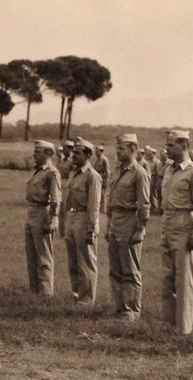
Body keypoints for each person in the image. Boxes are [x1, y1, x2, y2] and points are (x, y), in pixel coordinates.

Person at [160, 130, 193, 335]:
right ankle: (169, 324)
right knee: (166, 278)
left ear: (184, 146)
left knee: (184, 280)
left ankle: (183, 329)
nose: (167, 149)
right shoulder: (169, 170)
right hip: (167, 222)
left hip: (183, 224)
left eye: (171, 145)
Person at [105, 133, 150, 321]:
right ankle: (119, 307)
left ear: (133, 149)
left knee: (130, 268)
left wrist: (140, 229)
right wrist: (108, 224)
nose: (118, 151)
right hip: (115, 220)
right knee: (115, 269)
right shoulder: (117, 171)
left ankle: (131, 311)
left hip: (130, 221)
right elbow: (111, 199)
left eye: (121, 148)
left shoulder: (139, 173)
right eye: (117, 148)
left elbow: (144, 204)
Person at [60, 139, 101, 306]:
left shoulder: (92, 176)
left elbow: (94, 205)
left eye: (78, 153)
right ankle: (77, 295)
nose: (73, 155)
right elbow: (67, 201)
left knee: (86, 261)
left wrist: (92, 227)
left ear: (88, 155)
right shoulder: (73, 174)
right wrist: (64, 222)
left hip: (84, 218)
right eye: (73, 152)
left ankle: (86, 300)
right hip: (72, 218)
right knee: (73, 261)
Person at [25, 140, 62, 295]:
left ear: (48, 153)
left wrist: (51, 219)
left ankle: (46, 292)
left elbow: (55, 199)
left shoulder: (52, 172)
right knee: (31, 254)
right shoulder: (37, 170)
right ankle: (35, 290)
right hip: (31, 211)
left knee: (44, 255)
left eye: (38, 152)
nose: (34, 154)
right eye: (34, 151)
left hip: (43, 212)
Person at [93, 144, 110, 213]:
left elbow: (107, 171)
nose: (96, 153)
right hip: (97, 178)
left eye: (98, 152)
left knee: (103, 194)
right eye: (96, 152)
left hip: (102, 178)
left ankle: (103, 209)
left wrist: (105, 180)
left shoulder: (104, 160)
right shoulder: (98, 160)